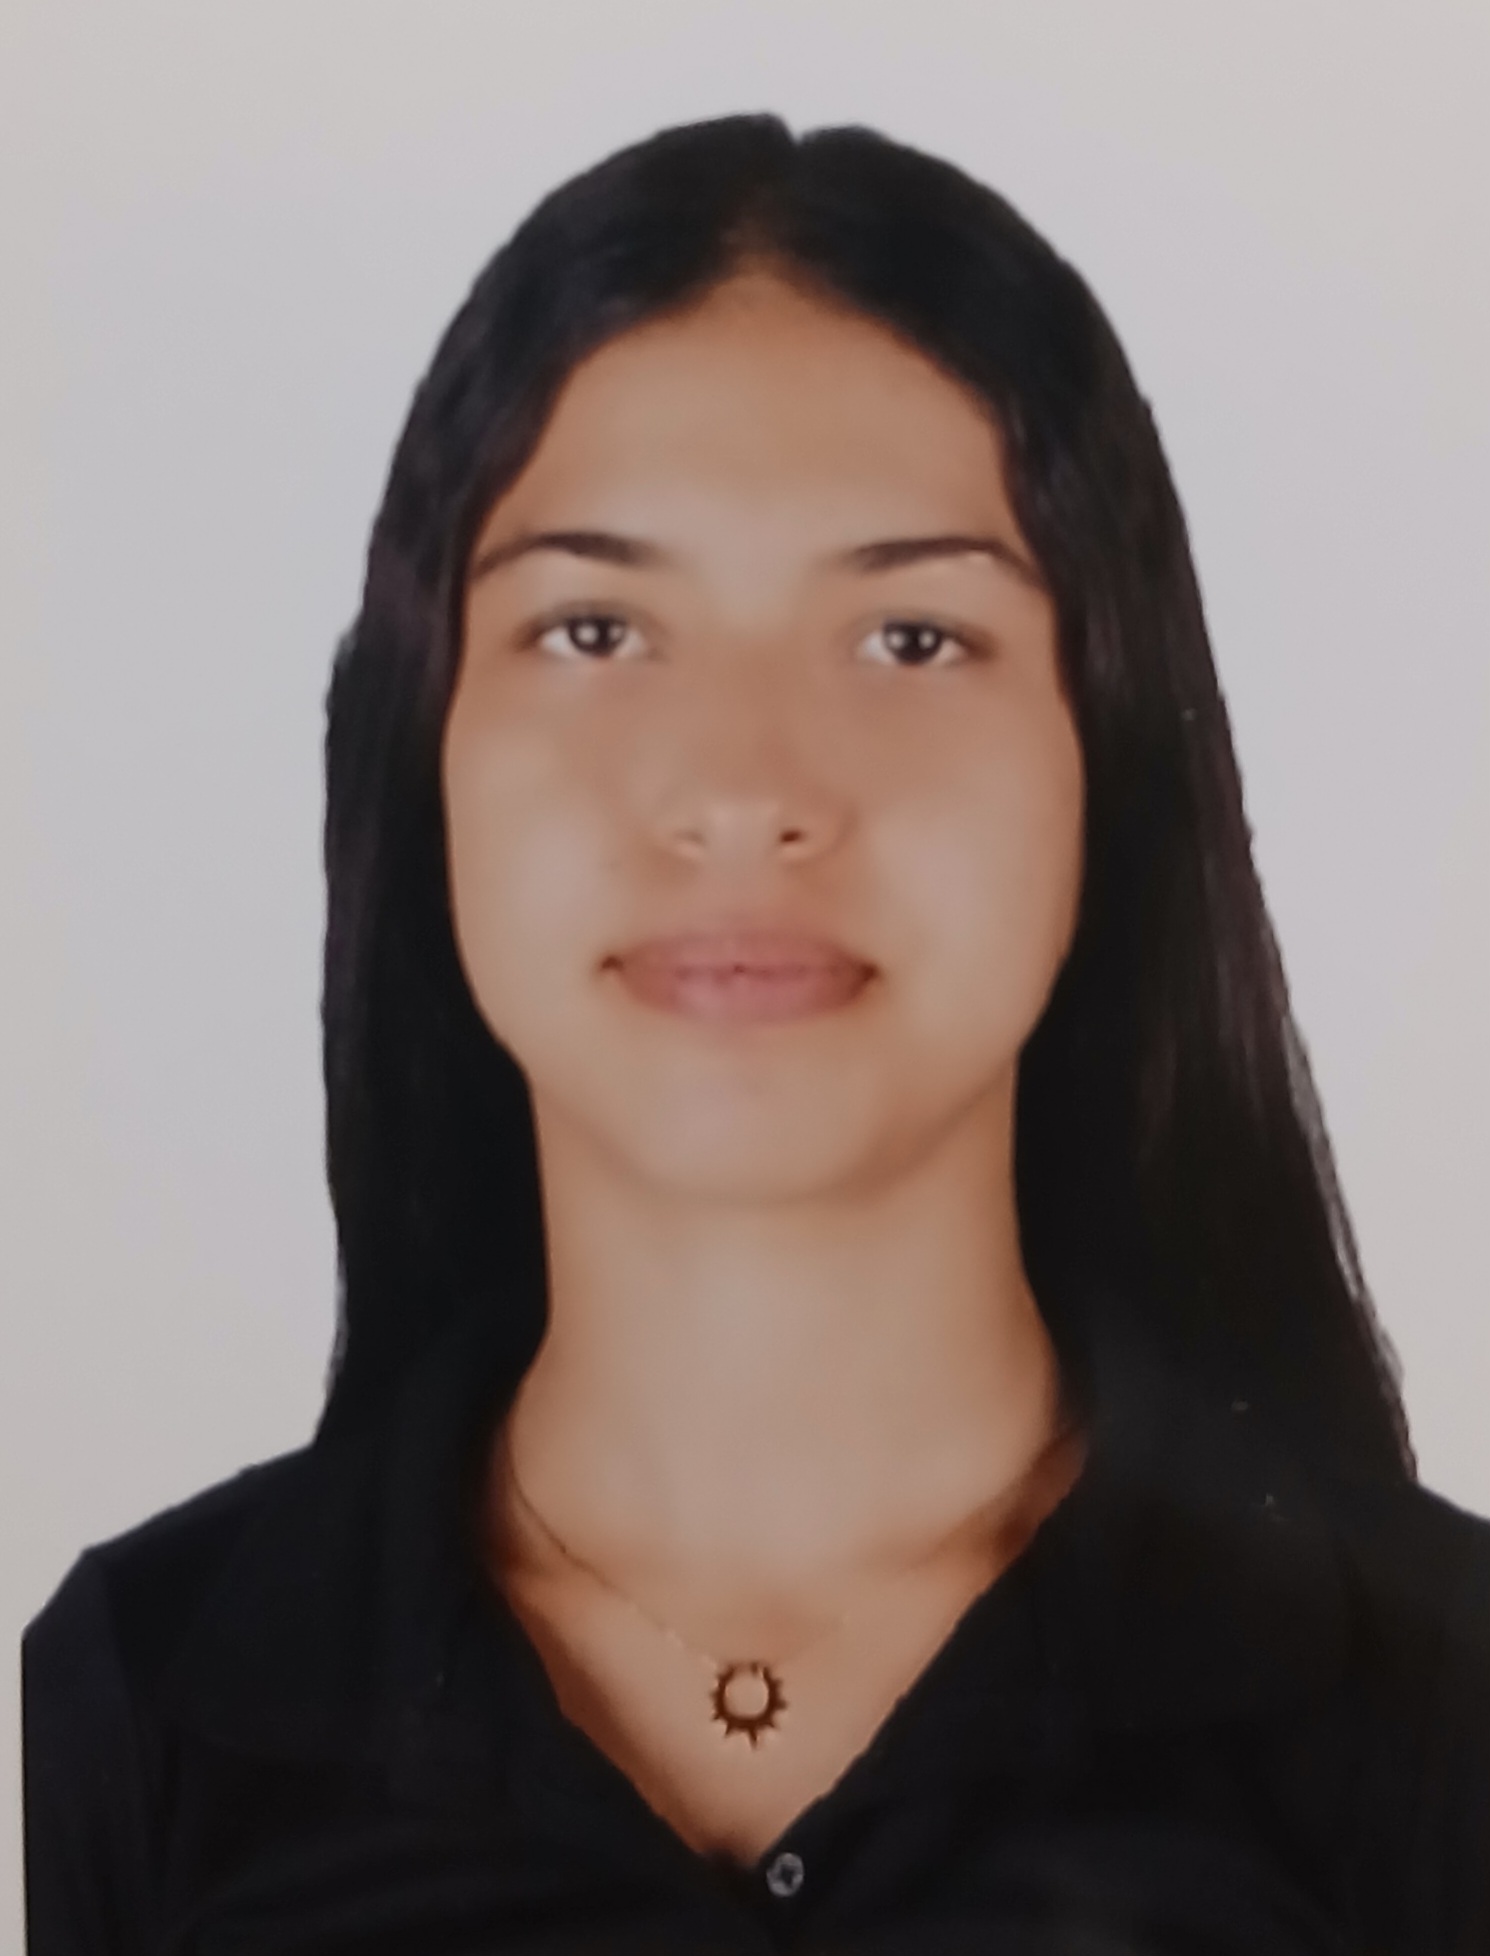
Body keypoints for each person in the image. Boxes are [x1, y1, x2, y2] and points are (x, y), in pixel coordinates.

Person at [21, 112, 1490, 1956]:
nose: (740, 791)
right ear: (419, 749)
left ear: (1109, 757)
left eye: (908, 639)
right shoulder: (145, 1697)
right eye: (594, 629)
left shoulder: (1438, 1698)